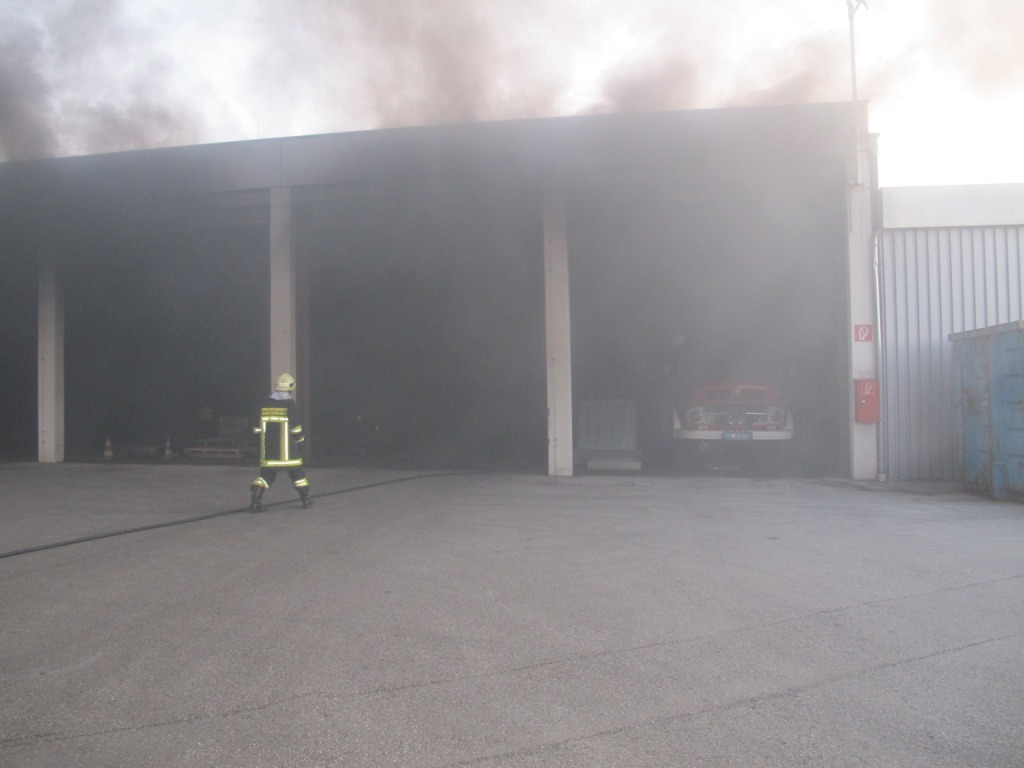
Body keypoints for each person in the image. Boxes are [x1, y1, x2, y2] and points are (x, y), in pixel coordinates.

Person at [249, 373, 312, 511]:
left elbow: (256, 428)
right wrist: (300, 441)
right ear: (290, 389)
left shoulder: (264, 404)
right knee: (298, 476)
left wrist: (259, 443)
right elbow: (296, 428)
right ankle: (305, 500)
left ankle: (255, 502)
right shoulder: (290, 405)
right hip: (288, 452)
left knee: (265, 476)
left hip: (269, 451)